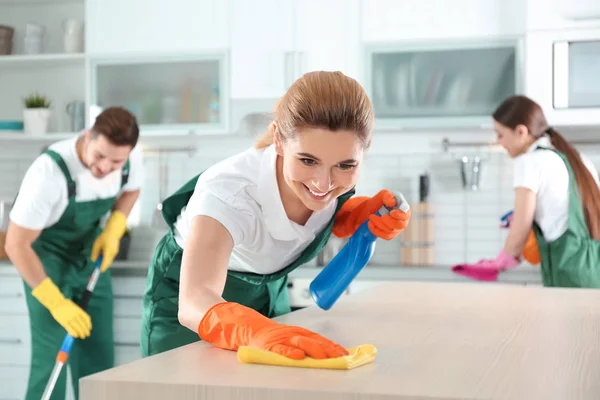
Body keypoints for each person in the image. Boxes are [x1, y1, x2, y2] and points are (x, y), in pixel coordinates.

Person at [140, 71, 411, 360]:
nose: (324, 183)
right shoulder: (229, 194)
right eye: (308, 161)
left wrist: (351, 217)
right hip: (192, 300)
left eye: (345, 165)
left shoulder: (329, 180)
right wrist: (255, 332)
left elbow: (306, 225)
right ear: (279, 142)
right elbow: (195, 300)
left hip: (268, 290)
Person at [5, 107, 144, 400]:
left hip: (90, 257)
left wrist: (114, 228)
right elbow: (16, 245)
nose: (105, 167)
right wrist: (56, 303)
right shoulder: (49, 172)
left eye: (116, 161)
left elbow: (132, 190)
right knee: (52, 357)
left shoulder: (129, 161)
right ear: (87, 136)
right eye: (99, 156)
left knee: (99, 354)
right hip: (45, 260)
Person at [452, 95, 600, 287]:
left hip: (570, 275)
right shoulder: (577, 159)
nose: (499, 142)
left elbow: (520, 230)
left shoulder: (529, 162)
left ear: (521, 131)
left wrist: (501, 261)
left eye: (500, 135)